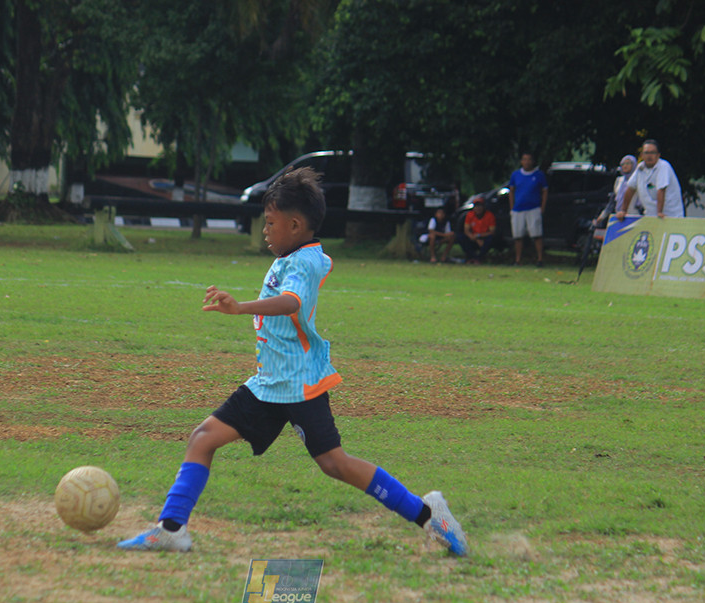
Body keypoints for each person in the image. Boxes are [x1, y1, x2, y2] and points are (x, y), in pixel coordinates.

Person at [117, 167, 467, 556]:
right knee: (203, 438)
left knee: (335, 463)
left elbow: (291, 302)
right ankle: (171, 529)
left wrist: (241, 308)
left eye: (270, 223)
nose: (265, 230)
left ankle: (428, 513)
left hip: (299, 384)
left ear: (296, 224)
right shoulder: (292, 256)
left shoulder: (304, 262)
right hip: (270, 384)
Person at [615, 139, 684, 221]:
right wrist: (623, 211)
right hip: (651, 217)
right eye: (646, 153)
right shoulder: (640, 168)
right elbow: (630, 189)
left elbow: (661, 190)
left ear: (658, 155)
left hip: (670, 217)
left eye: (652, 153)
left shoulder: (664, 166)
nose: (649, 156)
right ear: (641, 155)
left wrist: (659, 212)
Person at [508, 153, 548, 267]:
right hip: (518, 209)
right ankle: (518, 260)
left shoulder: (539, 175)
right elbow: (511, 191)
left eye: (529, 160)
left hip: (533, 208)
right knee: (518, 236)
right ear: (521, 161)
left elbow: (545, 191)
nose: (527, 162)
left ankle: (540, 259)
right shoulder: (515, 175)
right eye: (524, 159)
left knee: (536, 235)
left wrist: (542, 207)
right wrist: (512, 207)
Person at [595, 155, 642, 228]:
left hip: (634, 216)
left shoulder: (638, 180)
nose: (625, 166)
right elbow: (612, 202)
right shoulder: (619, 180)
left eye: (628, 163)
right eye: (623, 164)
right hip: (619, 217)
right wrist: (601, 217)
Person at [459, 196, 496, 264]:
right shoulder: (470, 215)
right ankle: (473, 257)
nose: (478, 208)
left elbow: (492, 232)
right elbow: (466, 230)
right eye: (476, 206)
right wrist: (475, 238)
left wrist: (479, 236)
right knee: (461, 237)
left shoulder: (489, 215)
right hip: (473, 237)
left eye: (480, 206)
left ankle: (479, 258)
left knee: (490, 239)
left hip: (484, 237)